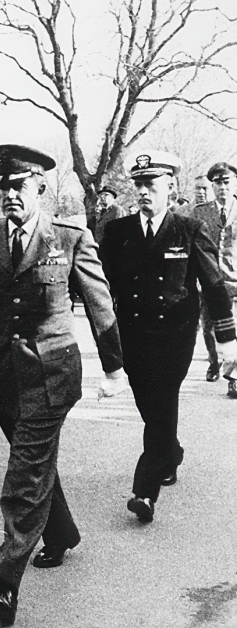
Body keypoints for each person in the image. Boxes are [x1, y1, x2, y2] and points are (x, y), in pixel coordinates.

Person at [0, 144, 127, 625]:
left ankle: (6, 581)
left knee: (24, 473)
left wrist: (114, 368)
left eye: (19, 186)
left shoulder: (70, 237)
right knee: (36, 463)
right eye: (2, 187)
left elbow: (100, 305)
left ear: (40, 188)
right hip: (2, 378)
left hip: (51, 376)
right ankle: (61, 533)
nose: (9, 196)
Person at [99, 152, 237, 523]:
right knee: (151, 405)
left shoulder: (188, 229)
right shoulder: (118, 232)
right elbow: (100, 284)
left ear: (169, 187)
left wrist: (227, 339)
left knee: (161, 401)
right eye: (139, 185)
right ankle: (170, 453)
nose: (143, 192)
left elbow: (213, 284)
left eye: (151, 185)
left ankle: (144, 491)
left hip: (175, 335)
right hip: (133, 333)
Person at [191, 162, 237, 392]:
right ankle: (213, 361)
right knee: (209, 328)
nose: (222, 187)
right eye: (217, 183)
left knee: (235, 328)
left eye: (226, 182)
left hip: (236, 281)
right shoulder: (200, 212)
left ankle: (234, 378)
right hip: (208, 282)